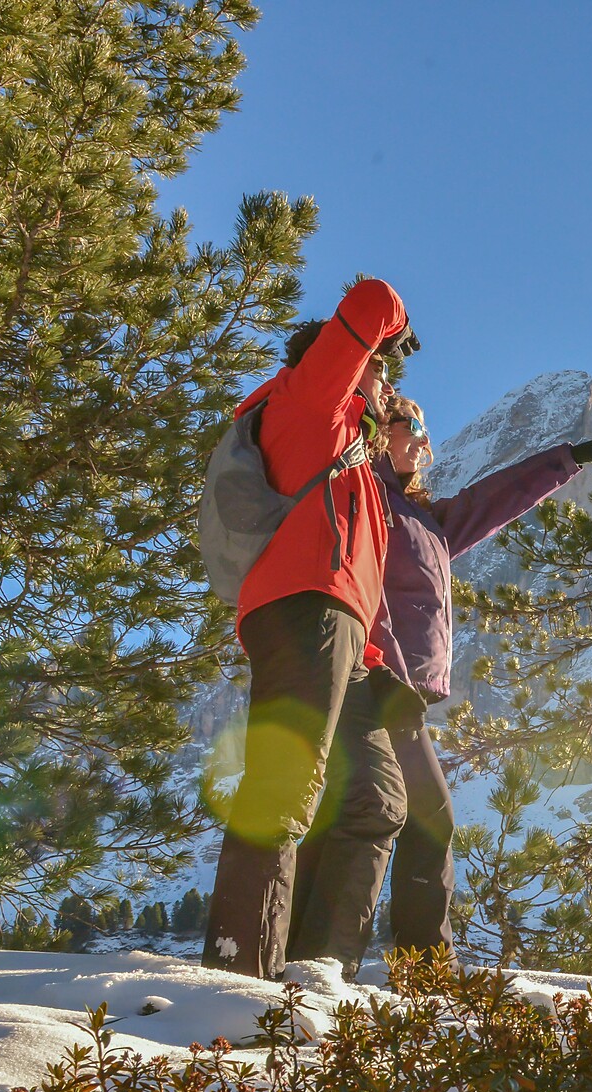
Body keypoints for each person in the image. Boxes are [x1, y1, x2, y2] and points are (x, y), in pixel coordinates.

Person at [304, 392, 592, 960]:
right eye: (412, 426)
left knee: (385, 815)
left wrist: (568, 459)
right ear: (379, 430)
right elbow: (359, 585)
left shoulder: (425, 518)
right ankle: (388, 963)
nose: (424, 440)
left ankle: (362, 960)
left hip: (398, 688)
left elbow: (494, 499)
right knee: (414, 817)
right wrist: (386, 663)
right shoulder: (367, 493)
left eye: (426, 430)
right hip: (374, 676)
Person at [202, 278, 416, 980]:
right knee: (288, 779)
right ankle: (241, 972)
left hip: (342, 633)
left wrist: (374, 662)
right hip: (303, 610)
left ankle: (317, 972)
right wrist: (393, 328)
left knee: (376, 799)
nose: (389, 390)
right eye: (381, 374)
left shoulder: (354, 458)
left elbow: (354, 574)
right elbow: (372, 298)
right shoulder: (309, 405)